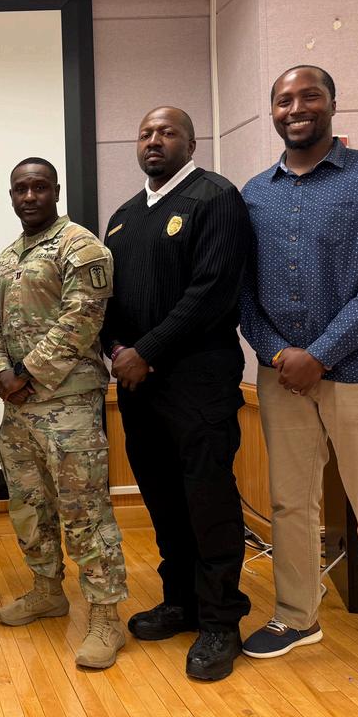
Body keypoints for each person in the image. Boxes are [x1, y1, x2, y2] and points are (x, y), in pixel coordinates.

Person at [240, 65, 358, 716]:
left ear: (331, 104)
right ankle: (296, 616)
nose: (295, 107)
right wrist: (276, 353)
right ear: (272, 111)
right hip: (280, 376)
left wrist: (319, 354)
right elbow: (243, 290)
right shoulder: (255, 194)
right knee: (289, 504)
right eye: (283, 99)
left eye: (308, 96)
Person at [100, 106, 252, 681]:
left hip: (198, 383)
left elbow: (212, 291)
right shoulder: (123, 218)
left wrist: (148, 351)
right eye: (146, 133)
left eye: (168, 132)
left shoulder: (216, 199)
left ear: (191, 143)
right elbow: (107, 300)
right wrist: (117, 349)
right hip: (138, 386)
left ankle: (220, 620)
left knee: (207, 500)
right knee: (163, 499)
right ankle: (181, 601)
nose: (155, 140)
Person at [0, 157, 128, 669]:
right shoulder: (7, 258)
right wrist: (1, 372)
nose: (29, 197)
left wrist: (25, 373)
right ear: (11, 195)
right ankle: (47, 590)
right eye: (20, 189)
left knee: (84, 510)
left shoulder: (81, 246)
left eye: (39, 187)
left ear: (56, 191)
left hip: (70, 406)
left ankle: (106, 616)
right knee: (29, 505)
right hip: (20, 410)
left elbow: (82, 320)